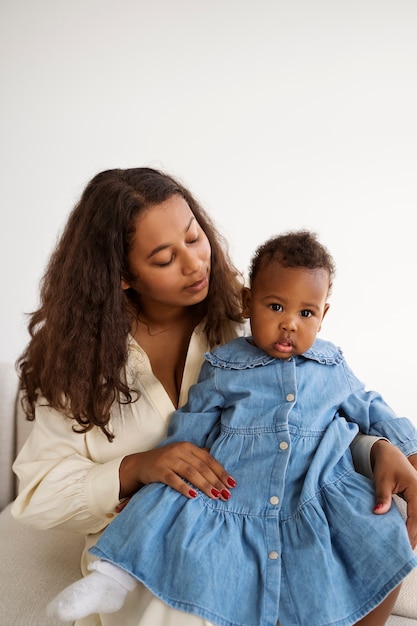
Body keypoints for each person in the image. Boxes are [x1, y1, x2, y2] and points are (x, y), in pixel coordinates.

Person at [10, 168, 417, 626]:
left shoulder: (255, 327)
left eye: (194, 238)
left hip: (264, 524)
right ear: (122, 275)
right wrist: (137, 468)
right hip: (164, 545)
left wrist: (376, 447)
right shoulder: (77, 364)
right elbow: (38, 493)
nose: (195, 264)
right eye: (165, 258)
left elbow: (310, 416)